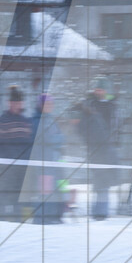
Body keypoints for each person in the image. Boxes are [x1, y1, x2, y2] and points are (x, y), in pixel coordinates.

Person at [0, 85, 34, 220]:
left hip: (22, 168)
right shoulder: (1, 121)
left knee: (19, 198)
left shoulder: (26, 122)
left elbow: (30, 145)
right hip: (5, 167)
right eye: (14, 102)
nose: (17, 104)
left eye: (19, 102)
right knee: (3, 197)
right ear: (9, 103)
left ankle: (18, 221)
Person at [73, 76, 120, 220]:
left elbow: (116, 126)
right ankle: (99, 212)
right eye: (96, 89)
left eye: (100, 89)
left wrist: (112, 142)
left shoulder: (112, 106)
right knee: (98, 180)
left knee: (104, 181)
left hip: (107, 148)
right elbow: (81, 127)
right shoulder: (89, 105)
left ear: (105, 90)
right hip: (94, 148)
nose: (98, 91)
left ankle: (101, 212)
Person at [30, 94, 66, 224]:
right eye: (47, 104)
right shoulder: (38, 120)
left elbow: (57, 137)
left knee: (53, 190)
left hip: (53, 162)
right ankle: (41, 219)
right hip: (43, 161)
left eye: (51, 104)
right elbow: (48, 138)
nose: (50, 107)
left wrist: (58, 138)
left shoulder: (50, 119)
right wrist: (60, 138)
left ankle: (53, 217)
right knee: (45, 192)